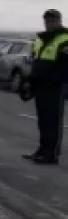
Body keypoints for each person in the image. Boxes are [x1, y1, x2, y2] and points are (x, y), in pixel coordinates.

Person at [24, 9, 68, 165]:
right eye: (47, 21)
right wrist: (30, 80)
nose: (49, 23)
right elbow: (36, 62)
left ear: (59, 21)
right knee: (43, 120)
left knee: (53, 120)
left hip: (56, 85)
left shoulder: (65, 38)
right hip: (40, 84)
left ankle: (51, 154)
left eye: (52, 20)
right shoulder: (39, 39)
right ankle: (42, 149)